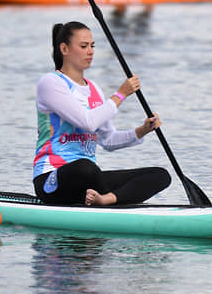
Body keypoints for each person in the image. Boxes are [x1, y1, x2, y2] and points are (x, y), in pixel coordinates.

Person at [33, 21, 171, 206]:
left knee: (160, 175)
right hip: (52, 179)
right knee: (85, 168)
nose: (90, 51)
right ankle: (113, 200)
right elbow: (88, 122)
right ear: (64, 49)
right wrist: (120, 95)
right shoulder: (51, 83)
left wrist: (142, 131)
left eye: (92, 46)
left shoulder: (94, 89)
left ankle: (106, 199)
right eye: (83, 46)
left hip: (89, 181)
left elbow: (108, 140)